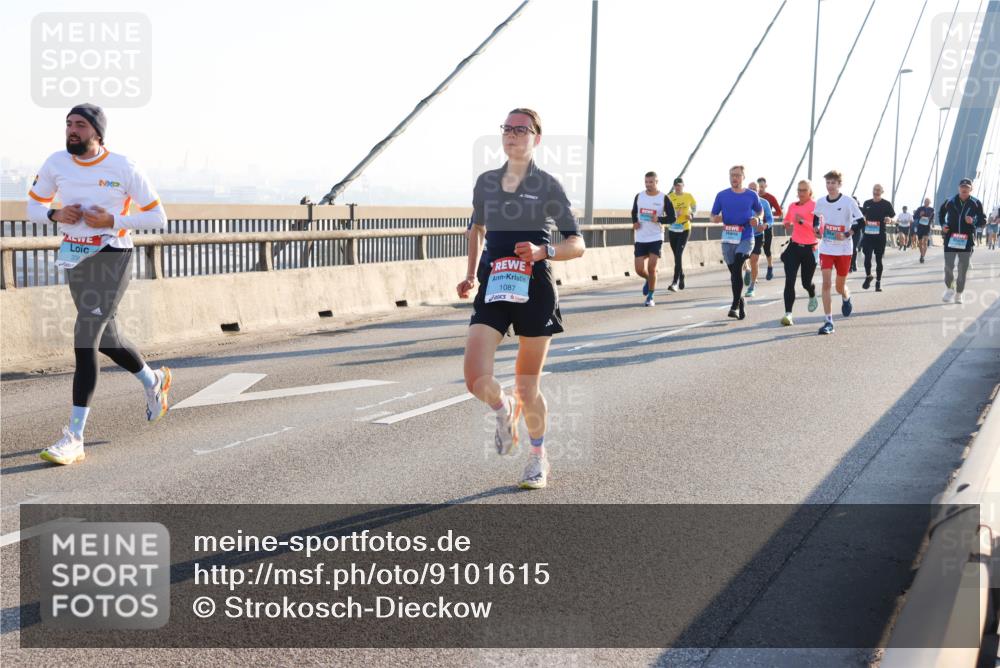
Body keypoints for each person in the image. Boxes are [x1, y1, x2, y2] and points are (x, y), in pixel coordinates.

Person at [26, 103, 171, 466]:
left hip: (112, 255)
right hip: (75, 256)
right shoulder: (56, 162)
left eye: (80, 125)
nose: (71, 130)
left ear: (97, 132)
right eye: (68, 124)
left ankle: (74, 437)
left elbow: (158, 217)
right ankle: (153, 379)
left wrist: (114, 218)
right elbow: (31, 206)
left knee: (85, 335)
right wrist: (54, 214)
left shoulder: (123, 166)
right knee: (107, 337)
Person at [457, 108, 585, 490]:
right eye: (507, 129)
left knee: (527, 386)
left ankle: (537, 456)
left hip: (535, 289)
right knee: (474, 377)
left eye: (521, 129)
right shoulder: (486, 183)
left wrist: (544, 251)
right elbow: (476, 229)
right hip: (494, 284)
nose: (512, 135)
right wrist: (468, 275)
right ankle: (503, 406)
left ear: (536, 138)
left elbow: (576, 244)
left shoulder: (548, 185)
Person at [711, 165, 763, 321]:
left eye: (738, 175)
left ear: (743, 177)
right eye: (732, 175)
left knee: (740, 261)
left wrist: (757, 219)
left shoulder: (751, 195)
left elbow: (759, 211)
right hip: (728, 238)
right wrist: (715, 218)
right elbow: (713, 215)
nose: (735, 178)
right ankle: (740, 301)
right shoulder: (722, 195)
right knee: (734, 273)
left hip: (746, 236)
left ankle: (734, 305)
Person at [814, 170, 863, 335]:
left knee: (839, 286)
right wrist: (816, 229)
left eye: (833, 183)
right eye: (828, 183)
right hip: (827, 247)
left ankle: (846, 296)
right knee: (826, 284)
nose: (830, 186)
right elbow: (816, 216)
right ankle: (829, 321)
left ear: (839, 184)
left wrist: (848, 233)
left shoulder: (849, 202)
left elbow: (861, 221)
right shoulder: (821, 201)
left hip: (843, 249)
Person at [630, 171, 676, 306]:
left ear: (656, 182)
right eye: (646, 182)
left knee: (652, 267)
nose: (648, 184)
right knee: (639, 269)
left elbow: (672, 218)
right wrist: (635, 222)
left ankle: (650, 296)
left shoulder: (664, 197)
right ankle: (649, 279)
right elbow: (634, 212)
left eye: (651, 182)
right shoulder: (639, 196)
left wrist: (659, 219)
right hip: (641, 236)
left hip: (656, 236)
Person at [939, 178, 987, 304]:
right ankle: (950, 288)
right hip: (950, 238)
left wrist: (974, 221)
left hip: (966, 240)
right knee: (948, 267)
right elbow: (940, 213)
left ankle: (959, 294)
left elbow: (983, 220)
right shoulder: (949, 201)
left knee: (962, 269)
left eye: (967, 187)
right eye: (962, 187)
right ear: (958, 188)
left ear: (971, 189)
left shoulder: (976, 203)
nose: (964, 189)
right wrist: (943, 224)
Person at [779, 179, 820, 326]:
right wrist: (788, 224)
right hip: (794, 247)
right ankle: (788, 314)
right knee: (789, 281)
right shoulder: (792, 206)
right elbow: (787, 221)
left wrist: (803, 222)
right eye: (799, 190)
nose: (801, 193)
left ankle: (812, 292)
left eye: (804, 190)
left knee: (805, 282)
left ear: (810, 191)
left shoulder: (816, 206)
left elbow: (819, 231)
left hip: (810, 248)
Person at [860, 184, 896, 292]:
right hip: (868, 235)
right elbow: (864, 216)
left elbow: (893, 217)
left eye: (878, 190)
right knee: (867, 258)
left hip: (880, 235)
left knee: (878, 259)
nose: (876, 192)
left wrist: (889, 219)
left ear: (882, 192)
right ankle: (868, 276)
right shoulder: (867, 203)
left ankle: (878, 283)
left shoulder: (886, 204)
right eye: (874, 189)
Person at [666, 177, 697, 291]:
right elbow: (665, 211)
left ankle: (674, 282)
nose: (678, 187)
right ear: (673, 186)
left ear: (683, 185)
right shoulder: (669, 197)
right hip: (673, 228)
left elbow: (694, 207)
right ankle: (682, 275)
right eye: (676, 185)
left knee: (678, 254)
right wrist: (674, 214)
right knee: (676, 256)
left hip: (684, 228)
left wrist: (692, 215)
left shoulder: (688, 196)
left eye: (680, 185)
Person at [745, 181, 773, 297]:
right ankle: (747, 269)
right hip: (743, 235)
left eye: (754, 189)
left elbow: (771, 220)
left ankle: (752, 286)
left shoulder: (764, 203)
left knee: (754, 259)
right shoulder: (742, 202)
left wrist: (765, 226)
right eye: (750, 189)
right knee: (742, 259)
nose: (752, 191)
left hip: (757, 235)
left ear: (758, 191)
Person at [756, 177, 782, 280]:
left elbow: (779, 212)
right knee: (754, 251)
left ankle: (770, 267)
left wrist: (769, 214)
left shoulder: (770, 198)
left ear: (766, 186)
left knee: (767, 249)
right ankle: (754, 273)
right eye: (759, 187)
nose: (761, 189)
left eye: (762, 186)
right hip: (756, 227)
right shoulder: (753, 197)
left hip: (767, 226)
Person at [913, 198, 935, 263]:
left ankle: (922, 256)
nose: (926, 203)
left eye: (928, 202)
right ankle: (922, 254)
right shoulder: (920, 209)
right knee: (920, 242)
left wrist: (929, 219)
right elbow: (914, 217)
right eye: (925, 201)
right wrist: (920, 215)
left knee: (925, 242)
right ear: (924, 202)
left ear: (930, 202)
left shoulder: (932, 209)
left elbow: (932, 218)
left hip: (927, 227)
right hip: (920, 226)